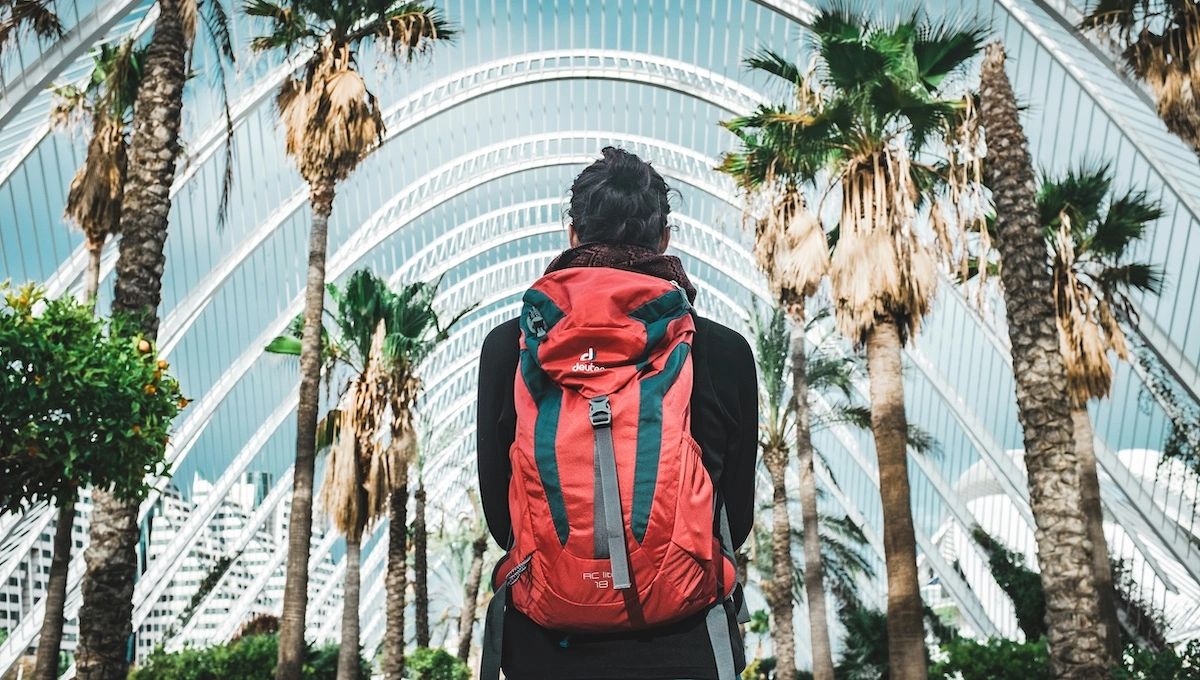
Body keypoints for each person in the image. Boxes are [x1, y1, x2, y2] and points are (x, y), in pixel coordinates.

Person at [475, 147, 758, 680]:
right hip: (687, 648)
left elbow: (500, 515)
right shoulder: (721, 350)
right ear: (664, 239)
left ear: (572, 235)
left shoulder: (508, 347)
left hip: (546, 651)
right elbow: (734, 520)